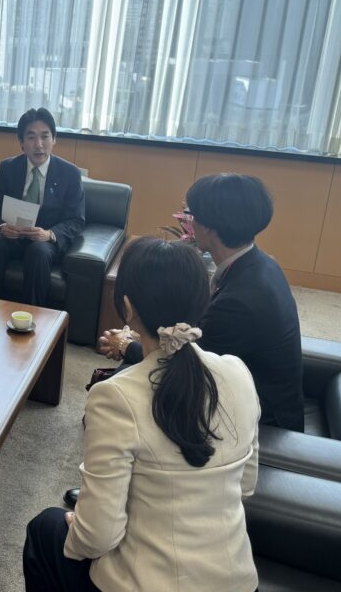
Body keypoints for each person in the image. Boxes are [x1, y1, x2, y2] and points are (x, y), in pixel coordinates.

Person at [24, 237, 261, 592]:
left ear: (128, 308)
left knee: (45, 528)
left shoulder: (115, 396)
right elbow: (246, 485)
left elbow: (97, 537)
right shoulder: (237, 372)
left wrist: (76, 524)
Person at [101, 174, 304, 431]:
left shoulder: (240, 302)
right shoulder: (260, 263)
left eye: (192, 214)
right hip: (253, 387)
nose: (189, 222)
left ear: (210, 227)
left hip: (261, 416)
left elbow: (185, 363)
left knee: (114, 392)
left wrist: (125, 345)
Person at [0, 107, 85, 307]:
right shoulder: (8, 168)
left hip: (45, 241)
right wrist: (1, 227)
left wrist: (49, 234)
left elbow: (76, 219)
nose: (39, 145)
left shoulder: (70, 173)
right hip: (13, 235)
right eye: (31, 137)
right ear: (21, 143)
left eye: (45, 136)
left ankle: (32, 317)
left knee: (38, 252)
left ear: (54, 139)